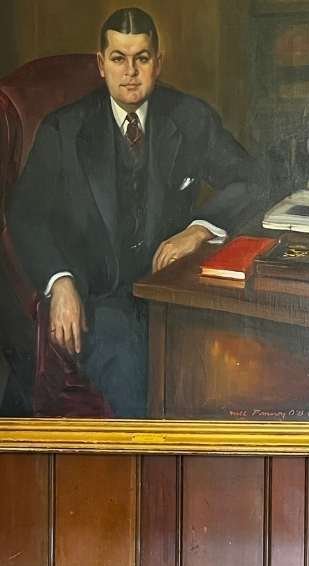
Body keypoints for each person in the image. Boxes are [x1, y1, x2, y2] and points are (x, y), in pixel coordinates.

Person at [6, 7, 261, 417]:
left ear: (157, 63)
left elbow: (253, 179)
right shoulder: (64, 130)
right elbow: (25, 215)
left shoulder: (189, 117)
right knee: (134, 376)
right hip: (99, 301)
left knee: (233, 370)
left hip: (174, 292)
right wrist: (60, 281)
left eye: (141, 58)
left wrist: (199, 228)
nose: (130, 72)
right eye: (119, 58)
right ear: (100, 63)